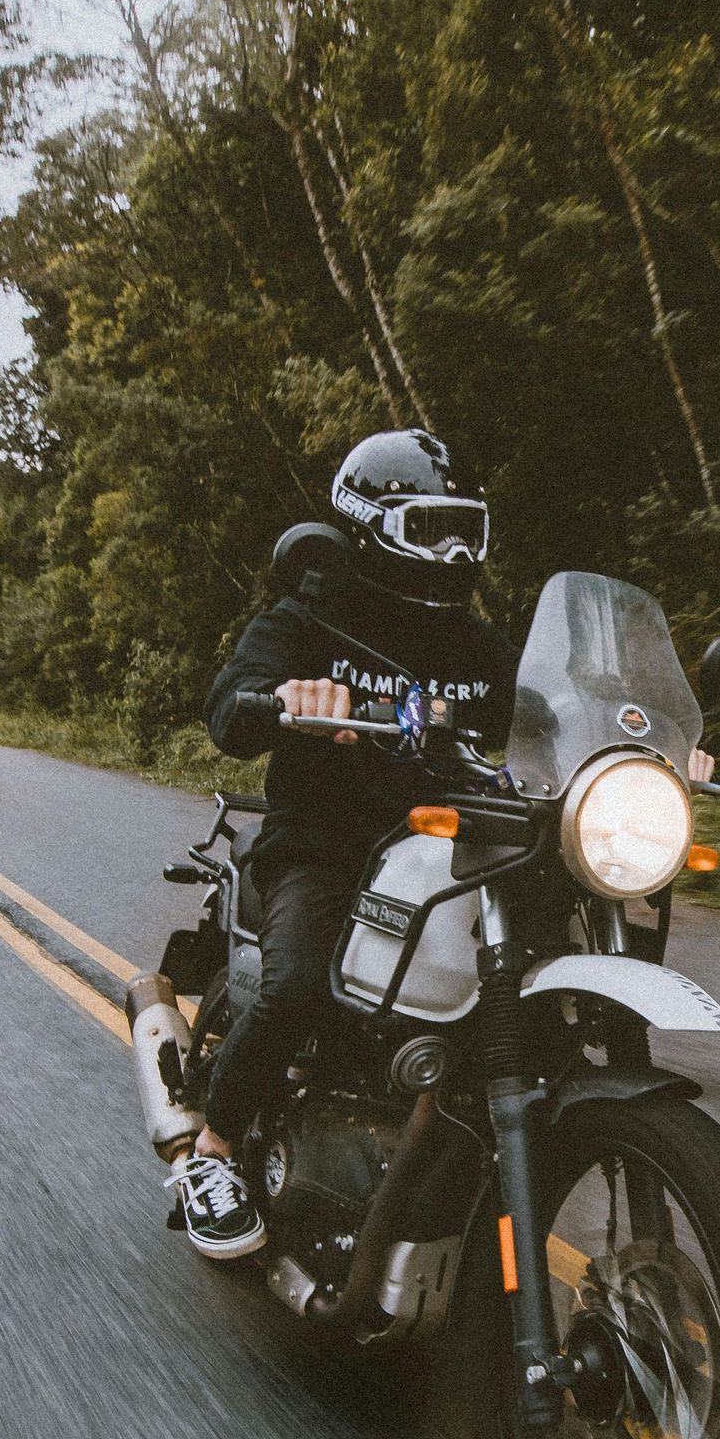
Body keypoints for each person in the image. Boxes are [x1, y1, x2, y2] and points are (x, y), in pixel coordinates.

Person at [163, 428, 520, 1257]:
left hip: (444, 854)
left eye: (467, 528)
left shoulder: (474, 642)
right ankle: (211, 1154)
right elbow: (228, 708)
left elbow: (548, 703)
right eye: (433, 529)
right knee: (296, 988)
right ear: (370, 526)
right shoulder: (313, 618)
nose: (456, 549)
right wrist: (280, 694)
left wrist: (642, 741)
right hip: (323, 845)